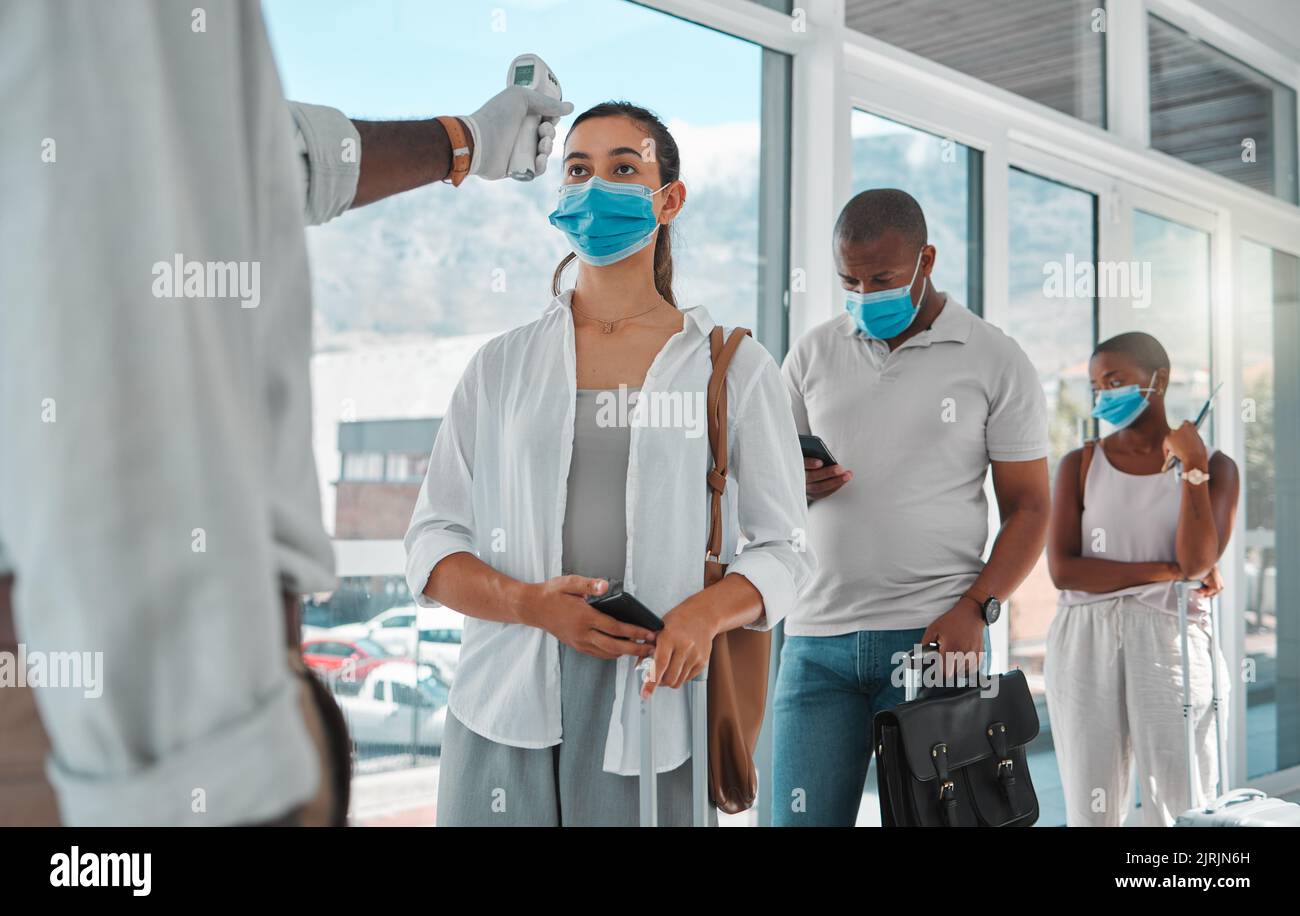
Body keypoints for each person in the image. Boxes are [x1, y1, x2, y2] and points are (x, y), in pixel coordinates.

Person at [0, 0, 570, 826]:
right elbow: (115, 262)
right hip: (115, 722)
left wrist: (467, 141)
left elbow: (254, 161)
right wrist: (205, 768)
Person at [405, 101, 812, 827]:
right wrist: (531, 605)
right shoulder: (501, 366)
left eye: (625, 168)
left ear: (669, 198)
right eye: (578, 170)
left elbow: (785, 549)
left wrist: (707, 614)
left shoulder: (733, 367)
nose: (596, 188)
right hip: (504, 694)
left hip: (653, 701)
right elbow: (432, 542)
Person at [773, 188, 1051, 827]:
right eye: (851, 280)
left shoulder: (994, 358)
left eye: (883, 278)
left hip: (936, 640)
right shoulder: (813, 354)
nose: (867, 294)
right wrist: (797, 481)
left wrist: (976, 609)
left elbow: (1031, 507)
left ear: (926, 259)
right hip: (815, 642)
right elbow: (768, 486)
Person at [1045, 332, 1238, 827]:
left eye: (1115, 381)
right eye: (1096, 385)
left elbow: (1196, 562)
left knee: (1182, 802)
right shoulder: (1079, 464)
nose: (1103, 395)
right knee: (1091, 806)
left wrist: (1192, 467)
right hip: (1085, 638)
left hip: (1171, 639)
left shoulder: (1217, 467)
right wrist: (1168, 570)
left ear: (1160, 380)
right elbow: (1065, 571)